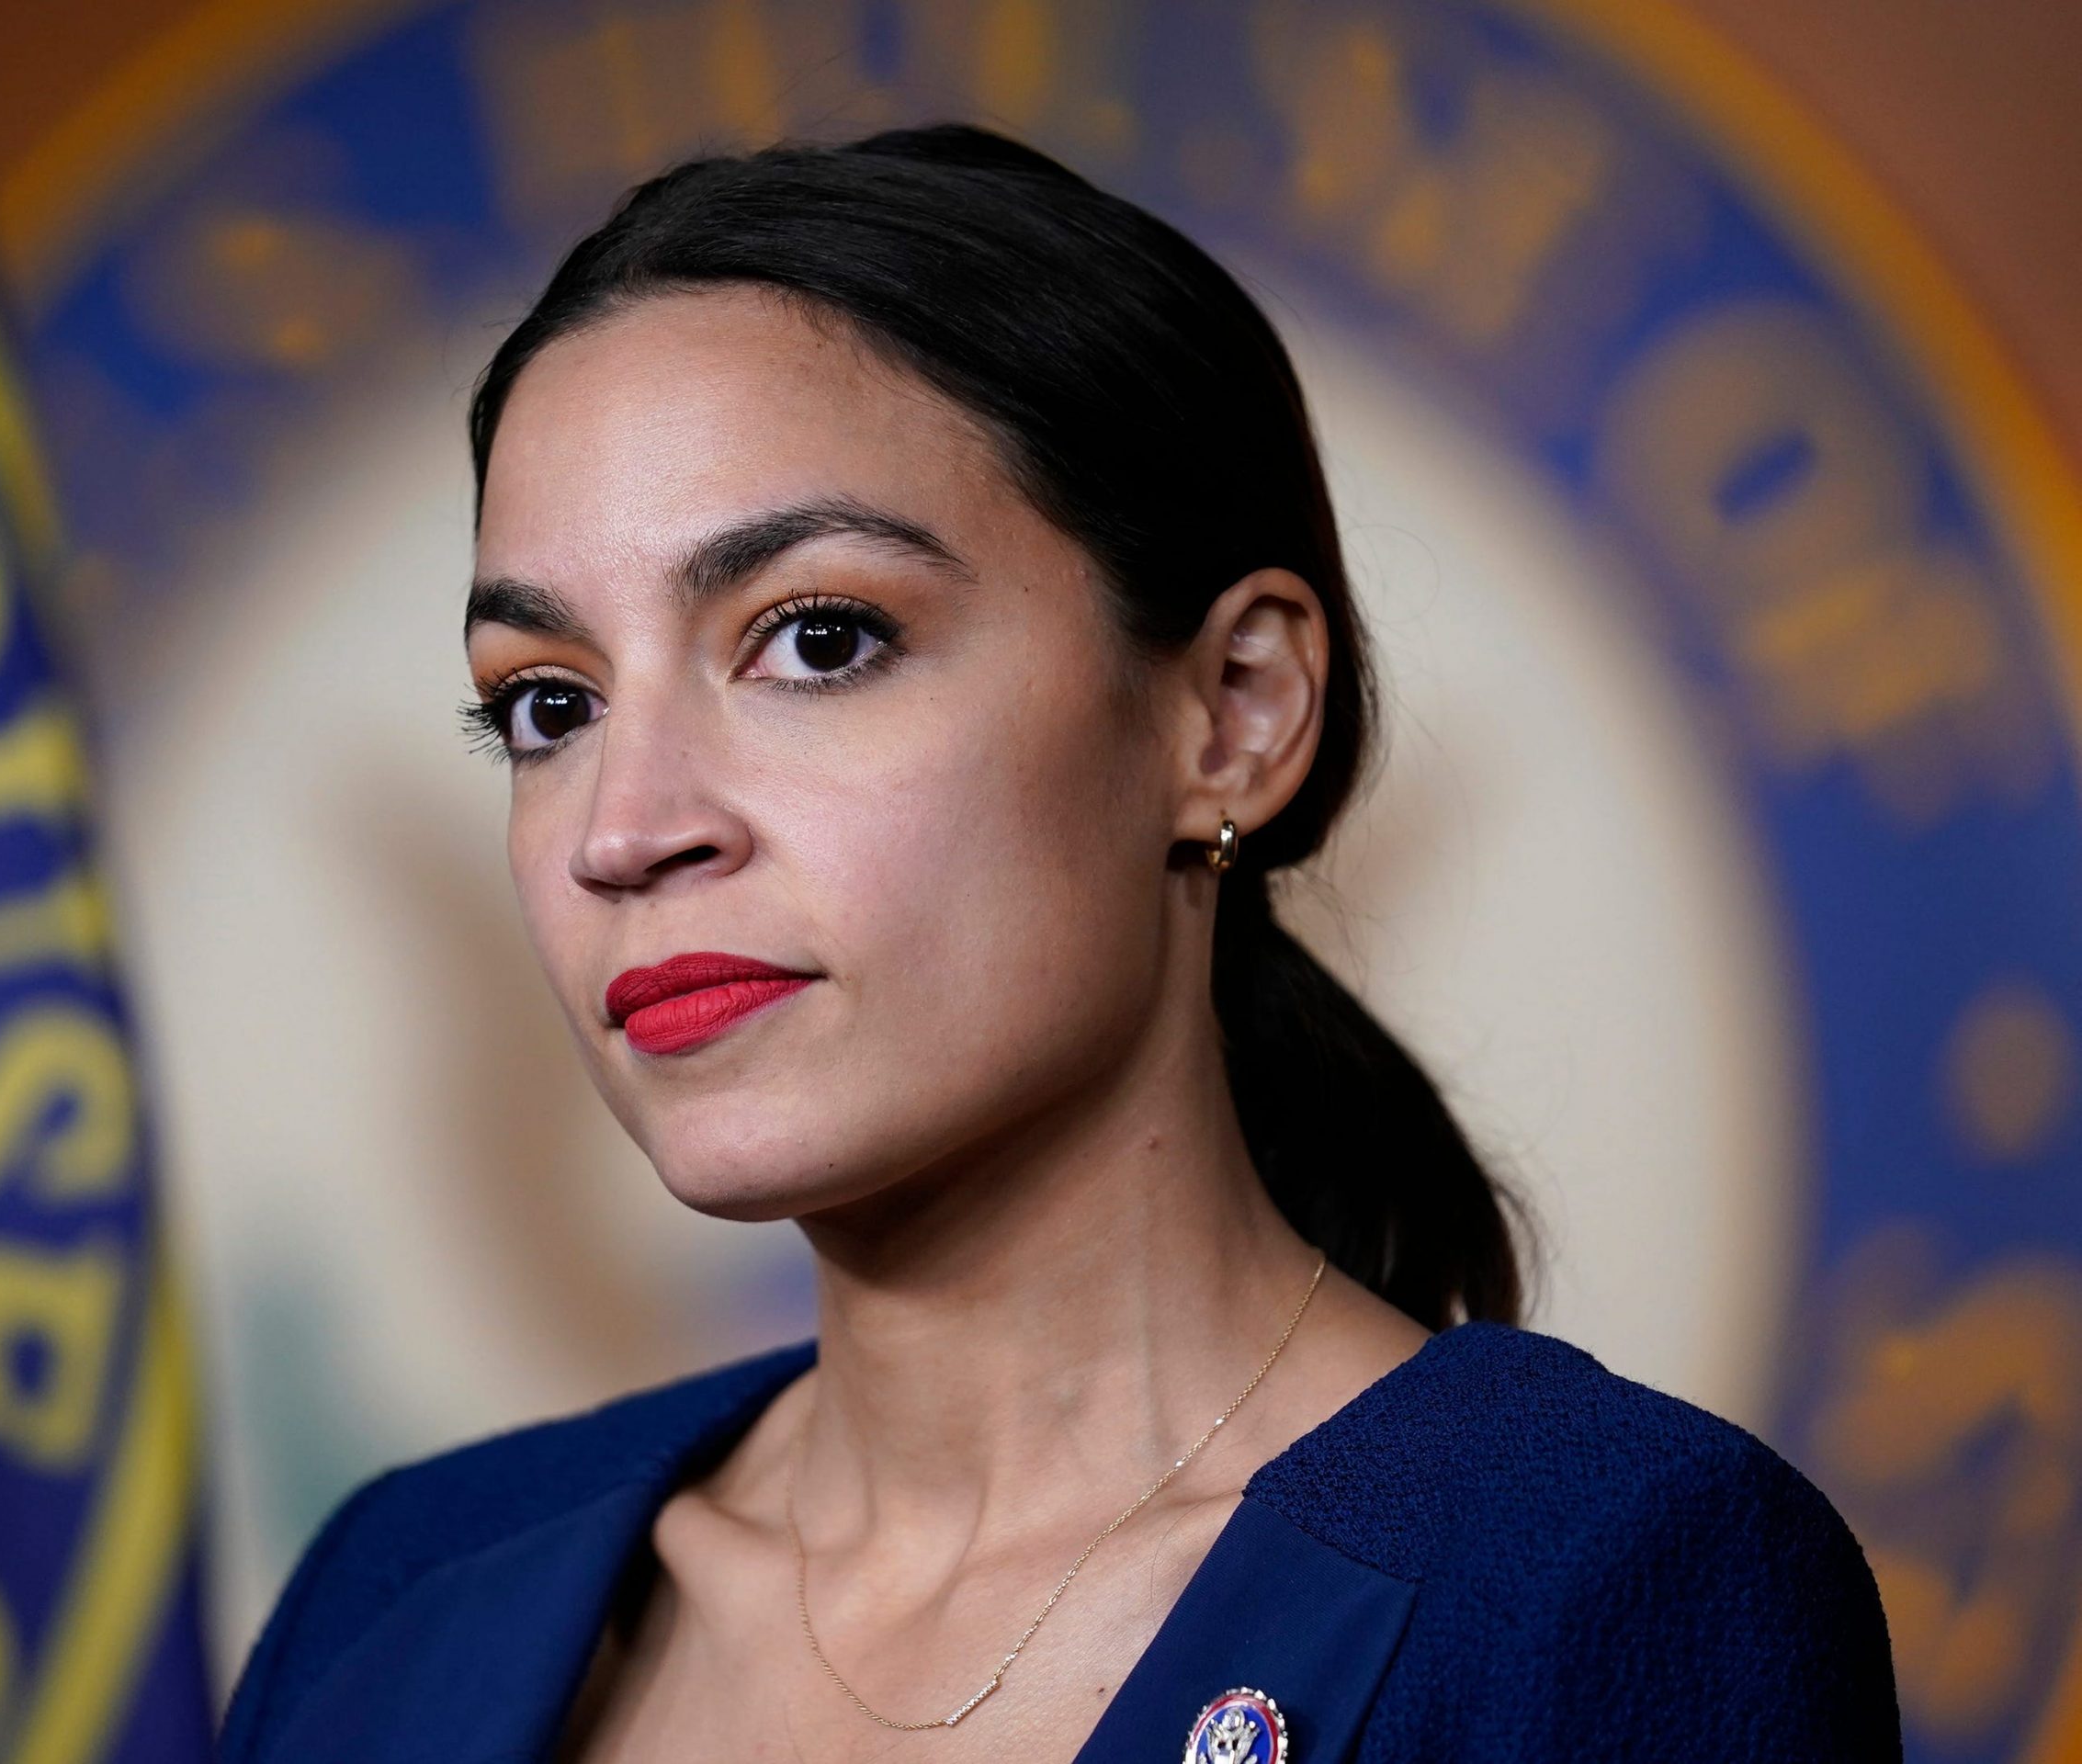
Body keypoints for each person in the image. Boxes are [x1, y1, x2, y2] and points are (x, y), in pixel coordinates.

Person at [215, 123, 1900, 1762]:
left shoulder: (1586, 1583)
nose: (624, 829)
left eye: (816, 637)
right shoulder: (398, 1595)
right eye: (549, 705)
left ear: (1234, 712)